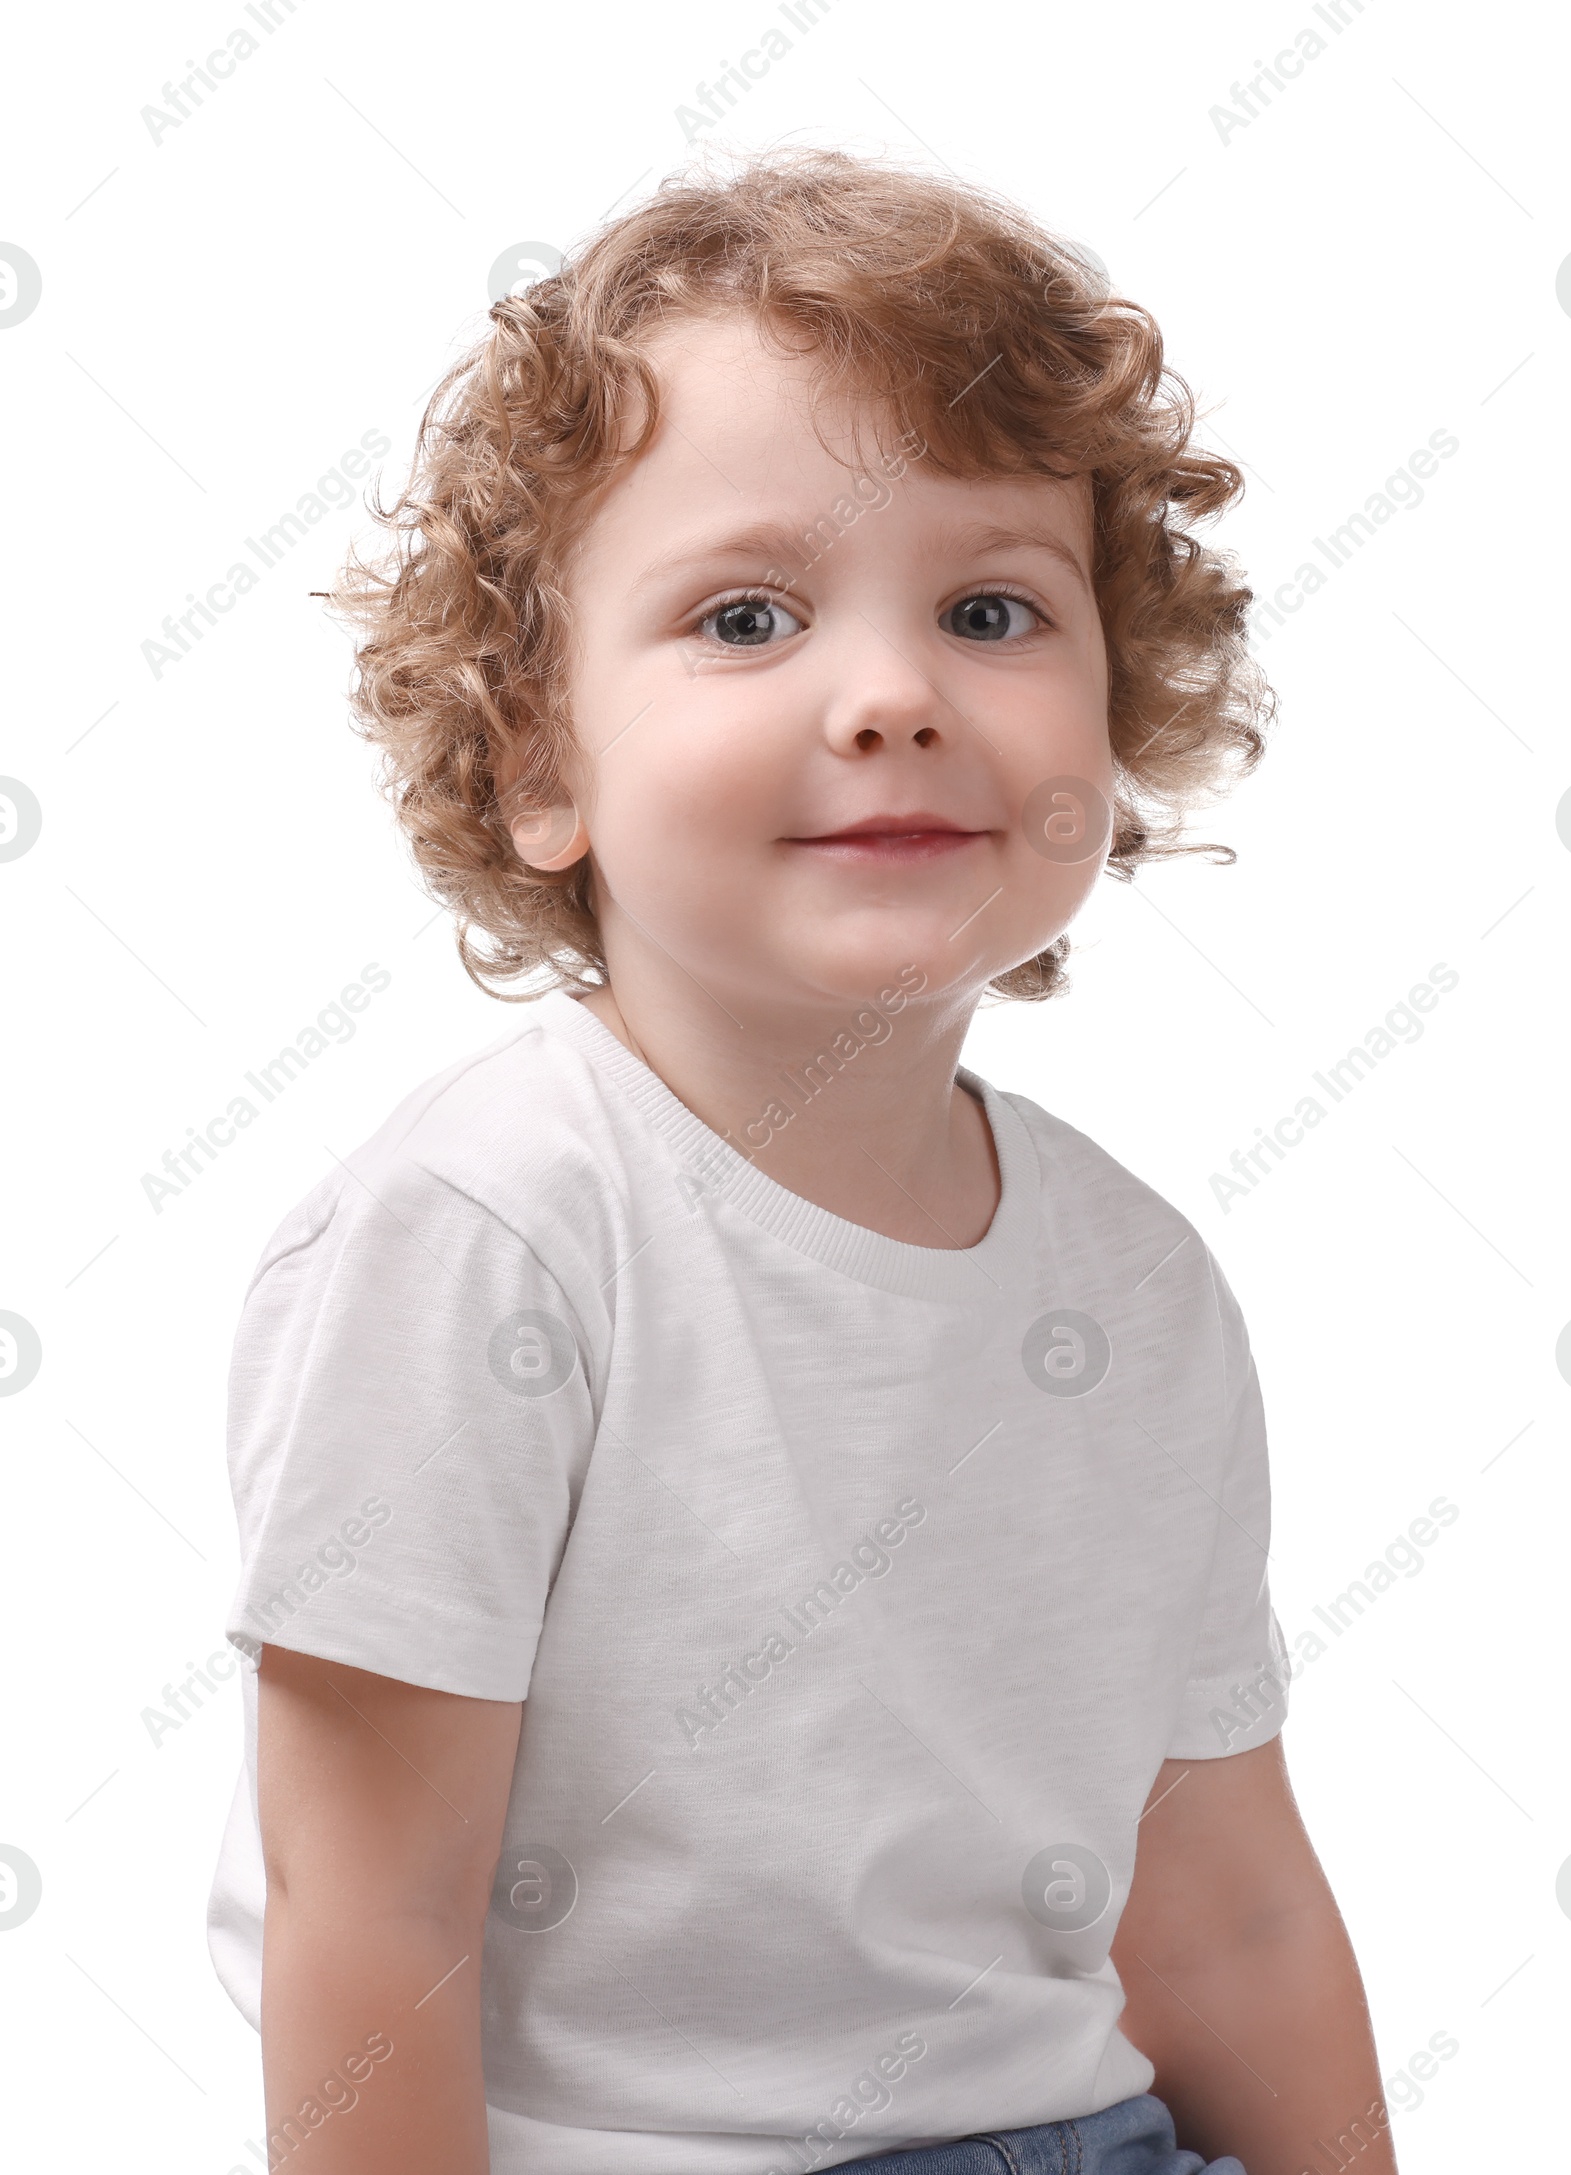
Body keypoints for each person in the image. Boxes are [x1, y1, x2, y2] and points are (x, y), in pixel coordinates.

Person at [207, 148, 1398, 2175]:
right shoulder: (489, 1232)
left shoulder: (1131, 1281)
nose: (892, 696)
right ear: (539, 757)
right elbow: (370, 1915)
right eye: (744, 614)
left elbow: (1220, 1903)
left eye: (990, 607)